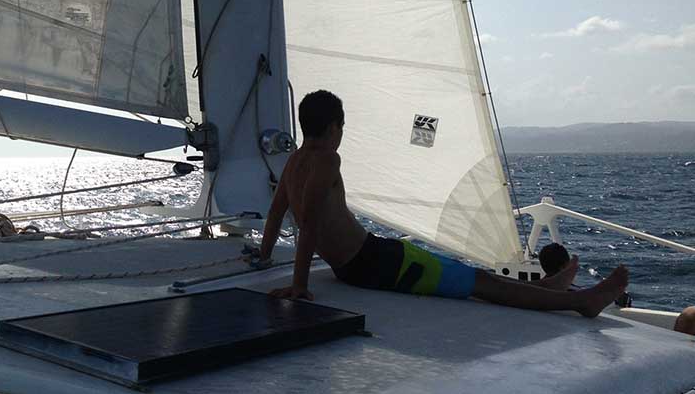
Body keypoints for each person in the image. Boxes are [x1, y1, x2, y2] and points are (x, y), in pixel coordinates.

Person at [255, 90, 628, 317]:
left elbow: (276, 214)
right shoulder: (326, 160)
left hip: (365, 262)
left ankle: (551, 288)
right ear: (335, 127)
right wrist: (299, 284)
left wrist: (264, 255)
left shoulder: (294, 161)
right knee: (478, 284)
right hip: (374, 263)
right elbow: (313, 224)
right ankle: (580, 302)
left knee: (475, 279)